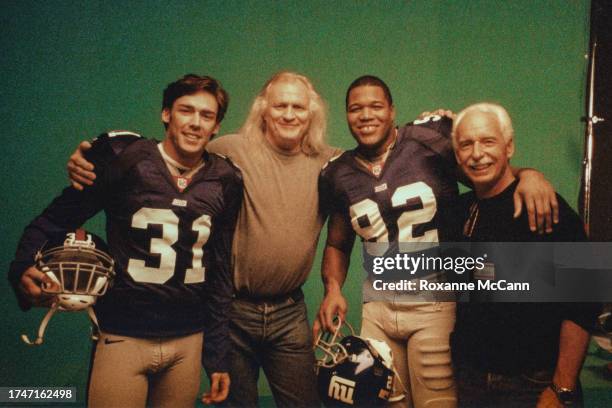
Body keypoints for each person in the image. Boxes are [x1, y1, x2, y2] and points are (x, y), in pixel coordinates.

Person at [67, 71, 340, 408]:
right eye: (279, 105)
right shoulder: (229, 150)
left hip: (289, 311)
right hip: (232, 310)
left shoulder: (332, 164)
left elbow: (378, 166)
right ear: (263, 110)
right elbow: (165, 153)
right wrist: (92, 161)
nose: (288, 114)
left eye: (297, 106)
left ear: (311, 113)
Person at [314, 76, 558, 408]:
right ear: (346, 115)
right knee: (384, 402)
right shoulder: (337, 173)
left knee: (437, 403)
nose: (366, 115)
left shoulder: (427, 139)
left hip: (435, 303)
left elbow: (487, 172)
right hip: (378, 308)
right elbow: (338, 243)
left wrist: (530, 174)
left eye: (376, 106)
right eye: (356, 108)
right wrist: (333, 289)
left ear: (392, 111)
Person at [9, 74, 241, 407]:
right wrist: (21, 266)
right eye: (185, 110)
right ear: (166, 114)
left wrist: (218, 356)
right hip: (123, 334)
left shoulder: (226, 180)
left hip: (188, 339)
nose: (195, 123)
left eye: (206, 115)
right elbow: (55, 218)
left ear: (217, 126)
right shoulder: (125, 158)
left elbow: (219, 271)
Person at [450, 102, 598, 407]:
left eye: (488, 141)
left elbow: (585, 300)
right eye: (466, 144)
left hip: (535, 385)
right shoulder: (459, 211)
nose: (477, 153)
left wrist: (562, 388)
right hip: (472, 382)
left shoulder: (545, 205)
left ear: (509, 147)